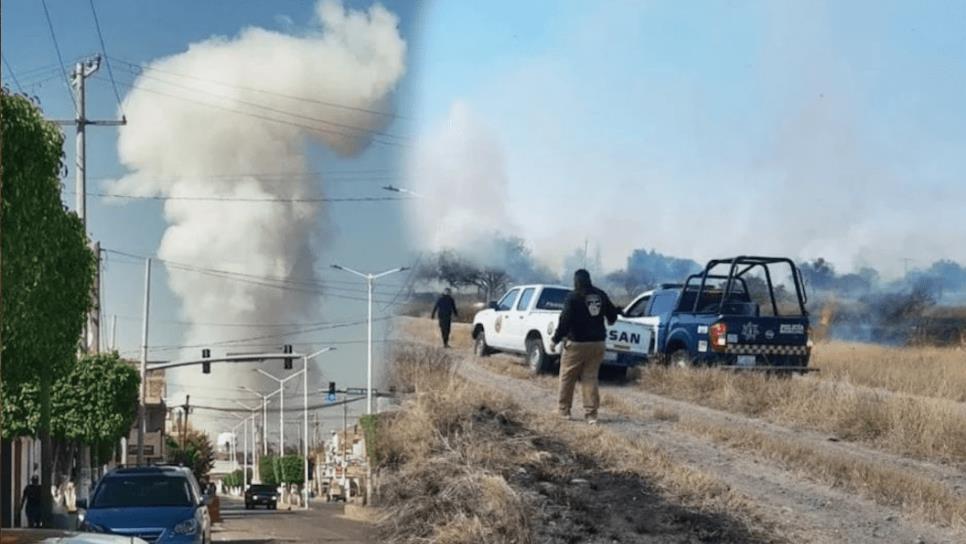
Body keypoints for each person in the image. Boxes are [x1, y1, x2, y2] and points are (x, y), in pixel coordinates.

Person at [550, 269, 619, 425]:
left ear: (576, 281)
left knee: (567, 377)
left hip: (577, 344)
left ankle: (564, 411)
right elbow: (613, 316)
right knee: (590, 378)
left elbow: (565, 321)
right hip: (597, 344)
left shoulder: (573, 297)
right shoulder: (601, 295)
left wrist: (555, 339)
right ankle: (591, 415)